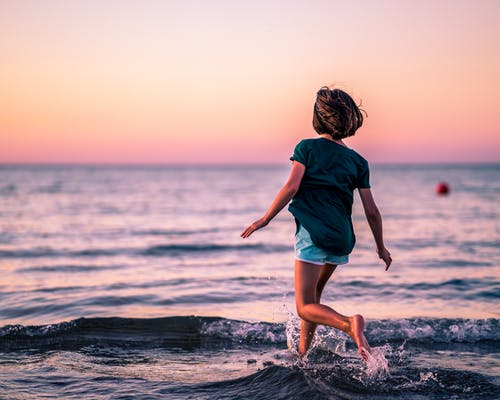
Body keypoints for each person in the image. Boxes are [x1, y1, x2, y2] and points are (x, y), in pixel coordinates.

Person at [241, 86, 392, 361]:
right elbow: (371, 210)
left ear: (319, 118)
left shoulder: (307, 148)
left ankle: (350, 324)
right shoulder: (358, 161)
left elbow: (291, 187)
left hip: (314, 234)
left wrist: (265, 219)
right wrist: (381, 247)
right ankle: (303, 354)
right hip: (343, 238)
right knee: (314, 298)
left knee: (304, 306)